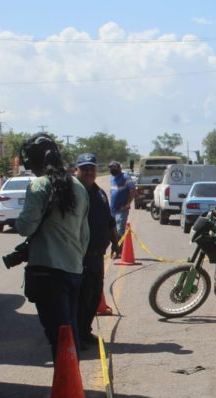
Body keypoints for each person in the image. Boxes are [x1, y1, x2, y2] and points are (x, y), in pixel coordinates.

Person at [15, 135, 89, 360]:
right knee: (69, 331)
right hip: (74, 270)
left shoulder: (39, 185)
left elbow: (26, 227)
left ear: (30, 162)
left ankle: (67, 393)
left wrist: (18, 222)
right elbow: (85, 236)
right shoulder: (78, 187)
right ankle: (71, 390)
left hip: (47, 273)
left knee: (58, 336)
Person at [75, 153, 119, 351]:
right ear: (76, 170)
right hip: (79, 257)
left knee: (93, 299)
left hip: (97, 257)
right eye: (84, 168)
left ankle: (85, 331)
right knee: (80, 299)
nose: (88, 172)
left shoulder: (99, 192)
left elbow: (109, 220)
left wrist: (116, 243)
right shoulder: (73, 193)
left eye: (91, 168)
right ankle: (76, 336)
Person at [109, 160, 135, 257]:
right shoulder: (112, 178)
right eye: (111, 168)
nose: (112, 169)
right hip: (112, 209)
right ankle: (115, 249)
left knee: (120, 231)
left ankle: (119, 252)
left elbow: (132, 190)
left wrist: (127, 204)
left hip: (122, 209)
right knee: (112, 231)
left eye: (114, 167)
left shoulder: (125, 177)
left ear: (119, 167)